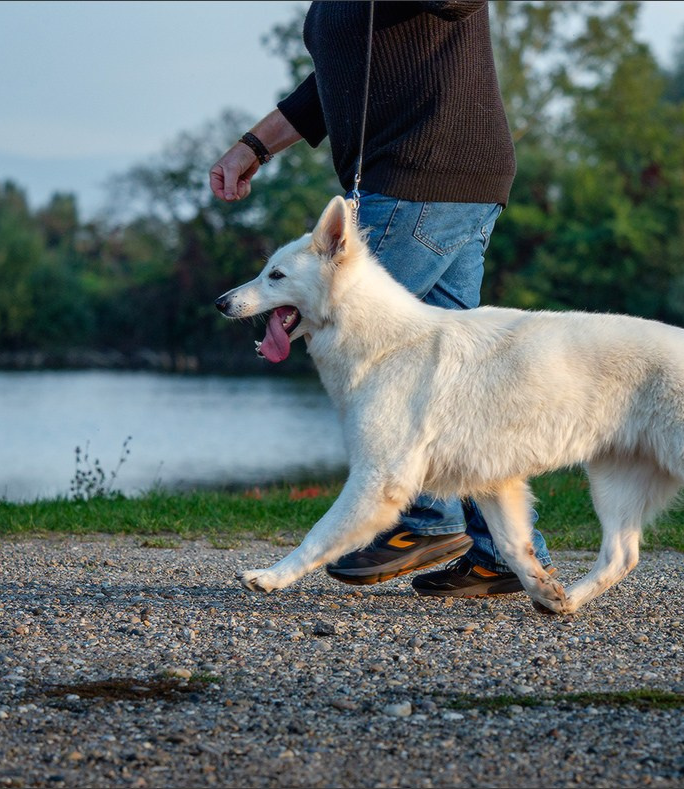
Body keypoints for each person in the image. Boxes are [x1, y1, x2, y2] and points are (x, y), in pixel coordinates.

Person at [209, 0, 554, 596]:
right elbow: (335, 82)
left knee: (366, 353)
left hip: (421, 176)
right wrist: (254, 147)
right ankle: (503, 551)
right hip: (448, 182)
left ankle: (423, 521)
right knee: (457, 378)